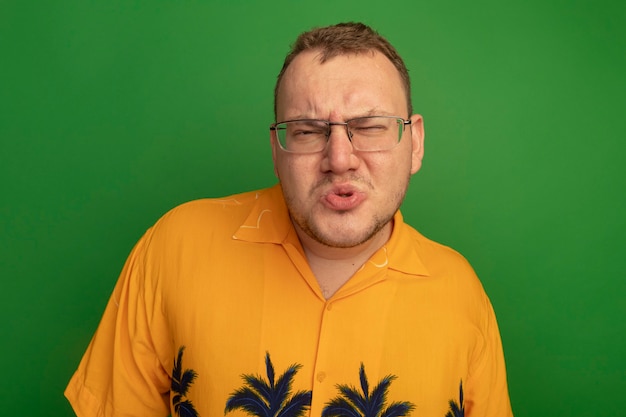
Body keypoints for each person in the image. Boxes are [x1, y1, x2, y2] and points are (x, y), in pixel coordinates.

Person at [65, 22, 513, 417]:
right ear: (277, 150)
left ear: (414, 143)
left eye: (371, 126)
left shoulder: (462, 295)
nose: (340, 159)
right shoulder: (174, 247)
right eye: (306, 131)